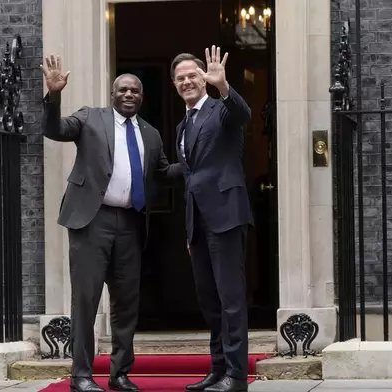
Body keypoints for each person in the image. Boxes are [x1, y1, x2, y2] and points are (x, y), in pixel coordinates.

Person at [40, 54, 183, 392]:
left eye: (135, 91)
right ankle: (81, 375)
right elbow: (54, 129)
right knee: (86, 300)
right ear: (113, 95)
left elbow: (163, 173)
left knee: (126, 303)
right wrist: (54, 96)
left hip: (131, 224)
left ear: (142, 97)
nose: (129, 95)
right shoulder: (91, 118)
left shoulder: (150, 134)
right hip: (93, 221)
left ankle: (119, 373)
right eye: (123, 90)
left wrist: (196, 163)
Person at [170, 46, 253, 392]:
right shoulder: (182, 125)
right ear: (174, 85)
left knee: (231, 300)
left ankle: (236, 376)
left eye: (193, 75)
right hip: (199, 224)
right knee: (210, 302)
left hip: (226, 217)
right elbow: (192, 172)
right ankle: (218, 370)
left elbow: (243, 114)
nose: (187, 81)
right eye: (180, 78)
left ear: (204, 77)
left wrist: (224, 87)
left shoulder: (220, 110)